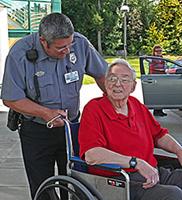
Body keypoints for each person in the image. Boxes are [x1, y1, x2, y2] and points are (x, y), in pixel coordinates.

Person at [1, 13, 107, 199]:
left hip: (72, 128)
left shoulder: (80, 44)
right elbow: (10, 98)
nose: (67, 51)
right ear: (43, 41)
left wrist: (114, 102)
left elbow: (103, 75)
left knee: (77, 183)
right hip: (36, 131)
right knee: (43, 187)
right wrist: (44, 112)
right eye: (60, 48)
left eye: (69, 44)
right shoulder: (19, 53)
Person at [79, 58, 182, 200]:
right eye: (112, 79)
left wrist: (180, 151)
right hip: (121, 180)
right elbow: (92, 155)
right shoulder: (94, 109)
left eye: (125, 80)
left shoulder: (135, 105)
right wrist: (136, 162)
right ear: (105, 83)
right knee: (173, 195)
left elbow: (159, 135)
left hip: (153, 172)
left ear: (133, 86)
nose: (117, 84)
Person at [150, 45, 167, 117]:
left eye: (160, 51)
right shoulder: (152, 59)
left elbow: (165, 67)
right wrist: (163, 70)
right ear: (154, 52)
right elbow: (153, 68)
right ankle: (156, 111)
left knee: (162, 95)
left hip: (162, 78)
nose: (159, 52)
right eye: (157, 51)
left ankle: (160, 110)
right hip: (155, 79)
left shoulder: (162, 59)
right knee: (156, 95)